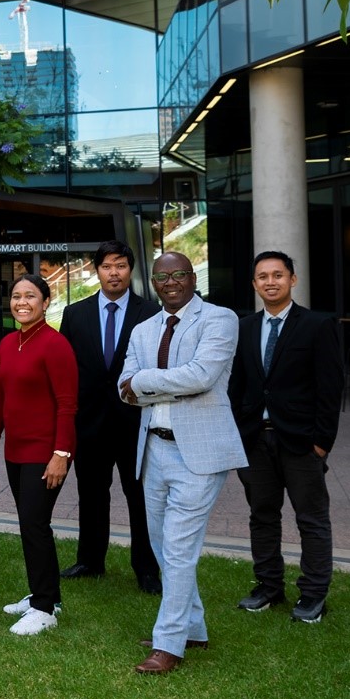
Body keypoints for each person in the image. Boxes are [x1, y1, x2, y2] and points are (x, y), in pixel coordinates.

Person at [120, 251, 245, 675]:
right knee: (161, 545)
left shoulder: (219, 319)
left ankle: (168, 642)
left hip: (200, 453)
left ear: (193, 277)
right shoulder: (142, 329)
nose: (170, 282)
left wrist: (145, 383)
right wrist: (149, 385)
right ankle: (193, 627)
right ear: (153, 283)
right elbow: (123, 387)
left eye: (178, 274)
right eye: (162, 277)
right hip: (153, 449)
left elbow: (201, 377)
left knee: (177, 548)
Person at [229, 250, 343, 624]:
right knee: (262, 516)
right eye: (263, 276)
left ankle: (312, 595)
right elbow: (238, 386)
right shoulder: (244, 327)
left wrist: (321, 443)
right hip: (255, 441)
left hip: (301, 443)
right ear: (254, 284)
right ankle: (268, 586)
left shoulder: (317, 325)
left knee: (311, 519)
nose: (270, 281)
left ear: (293, 279)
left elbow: (330, 389)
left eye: (278, 274)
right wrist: (238, 435)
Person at [58, 240, 162, 594]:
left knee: (140, 497)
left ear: (130, 270)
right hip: (88, 423)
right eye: (106, 266)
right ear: (96, 270)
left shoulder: (150, 313)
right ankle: (90, 560)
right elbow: (66, 371)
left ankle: (146, 568)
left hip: (135, 421)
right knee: (91, 494)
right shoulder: (75, 314)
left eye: (120, 265)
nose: (113, 272)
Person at [0, 274, 78, 636]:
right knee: (29, 524)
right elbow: (0, 399)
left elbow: (68, 405)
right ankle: (44, 594)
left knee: (35, 524)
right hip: (15, 451)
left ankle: (45, 607)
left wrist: (62, 453)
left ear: (46, 301)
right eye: (17, 296)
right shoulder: (7, 343)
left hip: (46, 451)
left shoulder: (56, 345)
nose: (22, 302)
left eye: (31, 296)